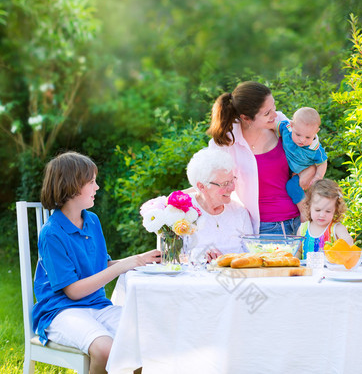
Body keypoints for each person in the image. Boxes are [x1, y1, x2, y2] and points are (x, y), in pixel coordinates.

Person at [32, 151, 160, 374]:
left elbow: (101, 266)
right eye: (91, 182)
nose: (97, 187)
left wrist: (139, 261)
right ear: (71, 187)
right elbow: (73, 291)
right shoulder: (51, 233)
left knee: (146, 339)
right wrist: (124, 265)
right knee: (105, 350)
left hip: (97, 306)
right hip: (60, 312)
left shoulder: (91, 220)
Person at [207, 81, 312, 235]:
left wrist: (306, 179)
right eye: (267, 113)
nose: (275, 115)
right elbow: (209, 184)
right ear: (246, 118)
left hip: (301, 221)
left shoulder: (282, 125)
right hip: (264, 229)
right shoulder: (226, 144)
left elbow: (312, 155)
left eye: (274, 107)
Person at [184, 147, 253, 260]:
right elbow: (172, 259)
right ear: (202, 186)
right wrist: (198, 256)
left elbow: (251, 255)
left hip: (235, 276)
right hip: (196, 276)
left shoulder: (239, 211)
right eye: (225, 183)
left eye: (232, 180)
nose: (232, 188)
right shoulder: (182, 212)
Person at [274, 106, 328, 216]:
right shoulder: (286, 129)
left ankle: (304, 210)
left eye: (308, 137)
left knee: (291, 186)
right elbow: (272, 125)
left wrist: (318, 176)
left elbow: (322, 163)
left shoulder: (315, 149)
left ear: (316, 132)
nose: (302, 140)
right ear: (292, 125)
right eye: (298, 135)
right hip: (288, 169)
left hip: (302, 173)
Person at [297, 179, 353, 259]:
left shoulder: (336, 228)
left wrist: (347, 242)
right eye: (318, 210)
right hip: (307, 270)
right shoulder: (303, 229)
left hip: (330, 271)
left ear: (335, 210)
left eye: (328, 211)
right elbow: (298, 251)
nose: (322, 215)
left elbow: (349, 243)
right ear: (309, 207)